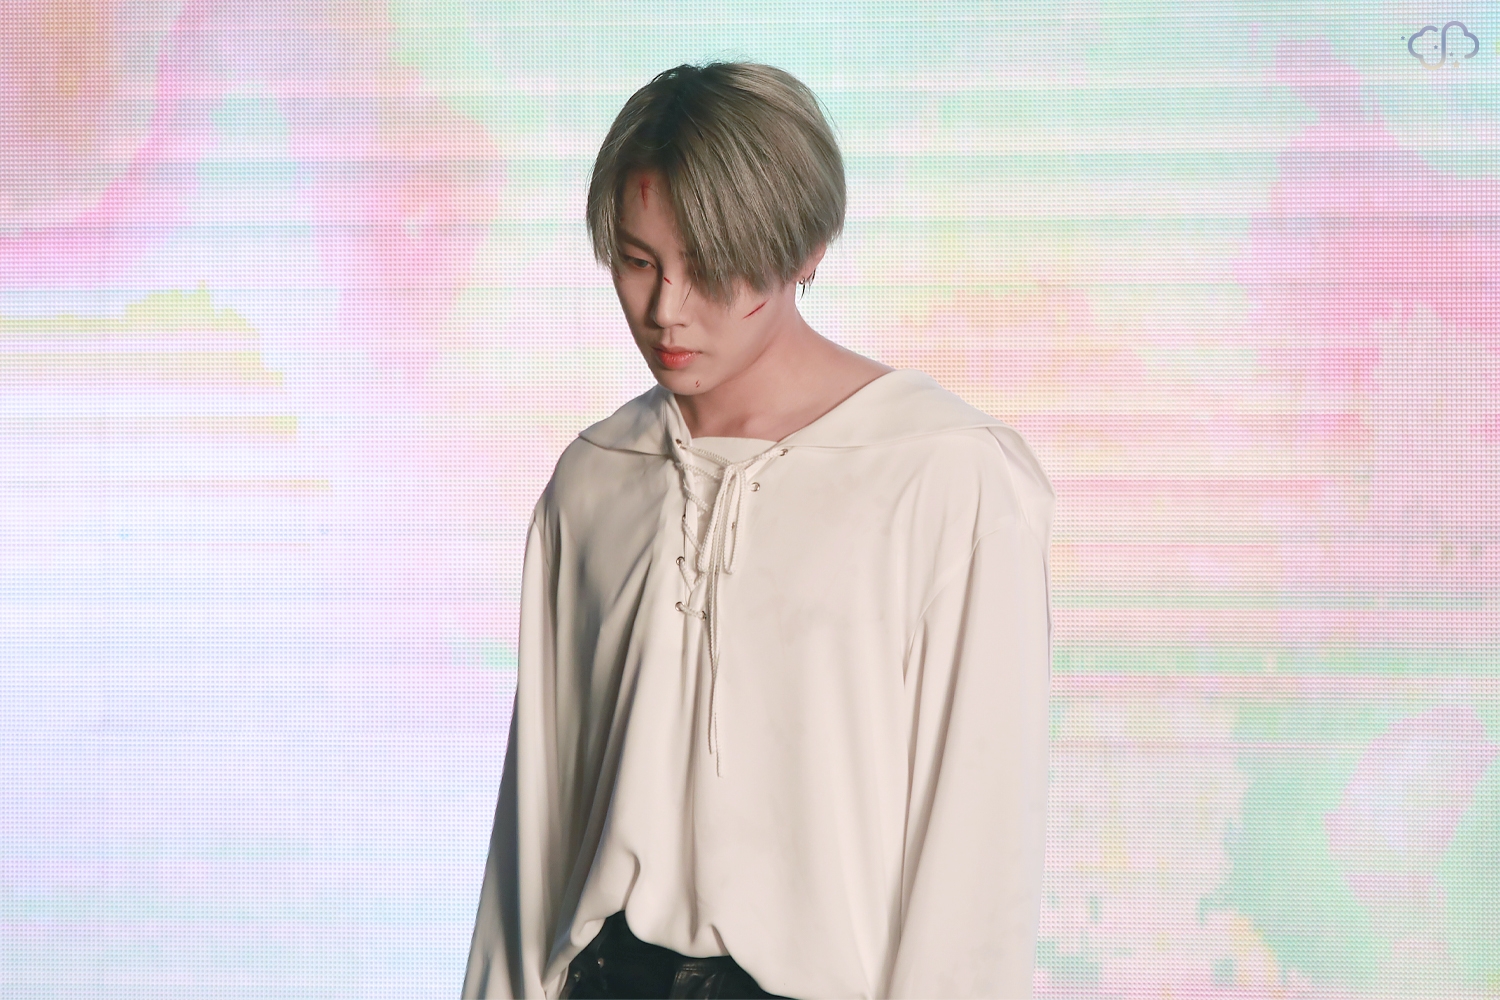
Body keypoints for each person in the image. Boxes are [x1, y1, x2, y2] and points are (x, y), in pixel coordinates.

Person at [463, 62, 1054, 1000]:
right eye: (639, 260)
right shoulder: (596, 477)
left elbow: (976, 862)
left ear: (806, 248)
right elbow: (534, 833)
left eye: (710, 265)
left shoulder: (945, 476)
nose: (667, 309)